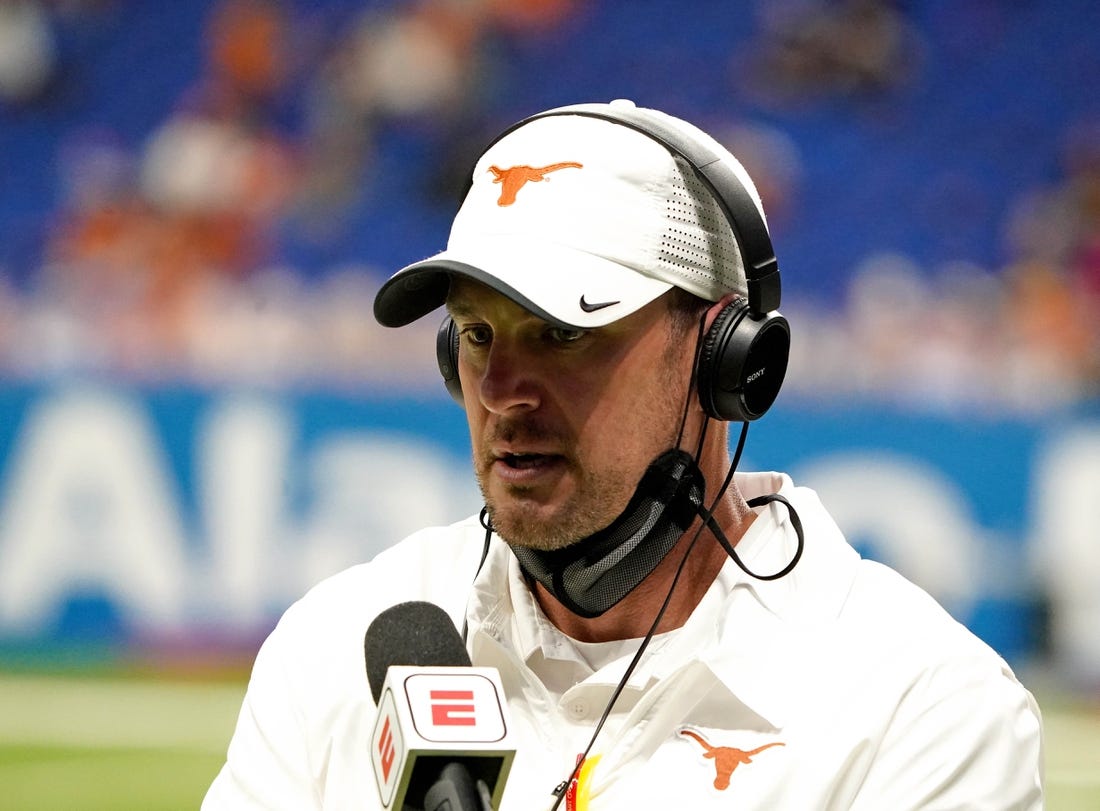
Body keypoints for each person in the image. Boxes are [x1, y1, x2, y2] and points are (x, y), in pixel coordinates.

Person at [203, 100, 1044, 809]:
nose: (502, 390)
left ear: (726, 360)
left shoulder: (922, 706)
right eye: (476, 333)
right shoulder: (336, 642)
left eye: (565, 333)